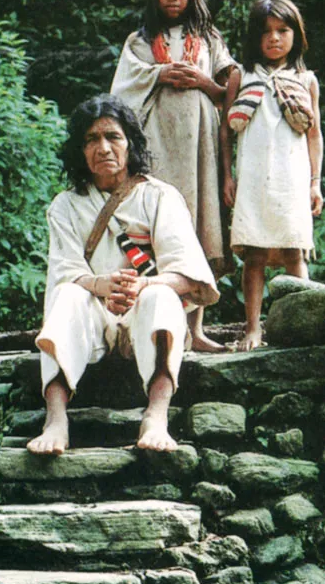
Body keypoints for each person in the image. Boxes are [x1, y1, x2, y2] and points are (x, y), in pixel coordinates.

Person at [28, 94, 220, 456]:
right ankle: (55, 419)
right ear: (79, 151)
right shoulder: (65, 206)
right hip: (93, 315)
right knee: (65, 295)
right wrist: (103, 286)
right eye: (91, 140)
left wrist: (143, 284)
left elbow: (189, 276)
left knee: (163, 296)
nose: (103, 148)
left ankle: (156, 416)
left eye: (113, 136)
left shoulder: (160, 196)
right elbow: (65, 272)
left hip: (145, 311)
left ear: (129, 142)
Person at [111, 0, 235, 352]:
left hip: (201, 148)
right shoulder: (140, 41)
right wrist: (159, 73)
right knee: (155, 228)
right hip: (157, 145)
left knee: (199, 227)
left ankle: (196, 330)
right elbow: (121, 93)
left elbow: (229, 92)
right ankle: (158, 326)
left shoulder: (210, 39)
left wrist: (204, 81)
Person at [220, 0, 324, 351]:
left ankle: (304, 326)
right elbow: (225, 133)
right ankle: (253, 327)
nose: (275, 38)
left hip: (291, 181)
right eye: (266, 32)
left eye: (283, 30)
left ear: (297, 34)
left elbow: (314, 135)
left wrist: (315, 183)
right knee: (255, 255)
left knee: (295, 251)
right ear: (254, 37)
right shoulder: (241, 75)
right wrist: (227, 177)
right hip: (252, 180)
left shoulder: (306, 79)